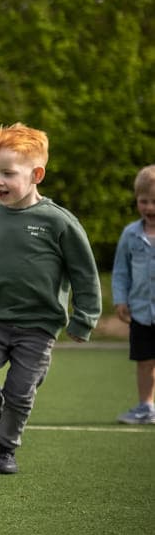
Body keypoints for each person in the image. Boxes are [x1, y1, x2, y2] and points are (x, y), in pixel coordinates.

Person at [0, 123, 102, 474]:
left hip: (39, 327)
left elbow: (84, 274)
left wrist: (84, 317)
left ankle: (3, 447)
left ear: (36, 174)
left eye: (7, 174)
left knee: (22, 393)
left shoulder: (58, 222)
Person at [112, 164, 155, 424]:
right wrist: (120, 299)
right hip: (141, 311)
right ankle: (146, 406)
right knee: (144, 360)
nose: (149, 208)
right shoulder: (130, 234)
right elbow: (120, 271)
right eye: (144, 201)